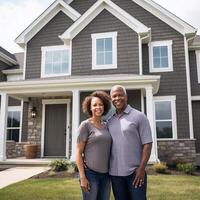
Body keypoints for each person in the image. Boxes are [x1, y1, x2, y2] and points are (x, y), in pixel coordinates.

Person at [108, 85, 153, 200]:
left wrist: (141, 169)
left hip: (135, 173)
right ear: (111, 99)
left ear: (126, 97)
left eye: (120, 95)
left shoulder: (139, 116)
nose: (117, 98)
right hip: (115, 174)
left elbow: (147, 144)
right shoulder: (110, 121)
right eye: (114, 96)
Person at [76, 91, 112, 200]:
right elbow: (78, 152)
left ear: (104, 106)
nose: (98, 107)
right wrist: (82, 177)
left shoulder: (107, 125)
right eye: (95, 105)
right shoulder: (85, 125)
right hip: (90, 175)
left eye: (100, 104)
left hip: (106, 176)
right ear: (90, 108)